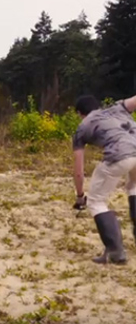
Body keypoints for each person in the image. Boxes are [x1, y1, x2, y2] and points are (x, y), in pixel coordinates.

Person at [72, 94, 136, 264]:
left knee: (96, 201)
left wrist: (80, 196)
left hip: (120, 156)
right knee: (133, 186)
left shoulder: (83, 127)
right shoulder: (118, 107)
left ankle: (115, 252)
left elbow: (79, 169)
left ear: (80, 113)